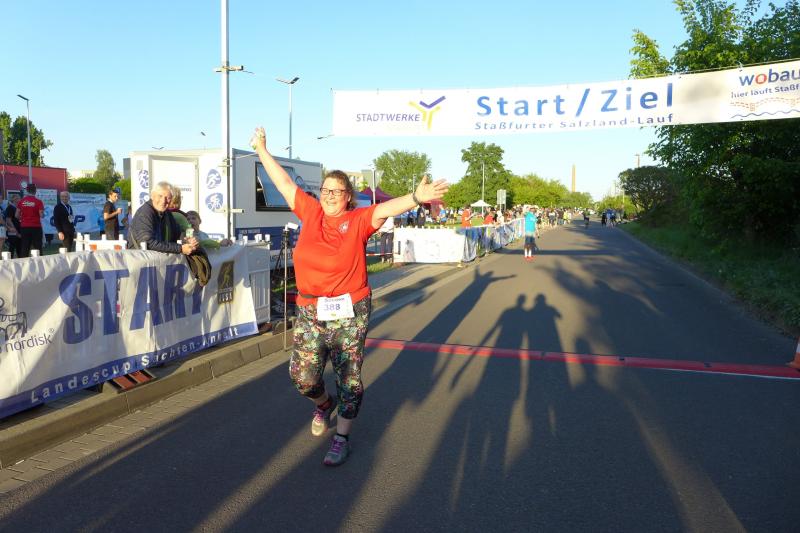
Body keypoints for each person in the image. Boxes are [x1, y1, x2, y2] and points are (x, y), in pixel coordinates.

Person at [251, 126, 447, 466]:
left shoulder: (358, 220)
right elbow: (283, 183)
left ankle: (341, 437)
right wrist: (262, 151)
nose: (329, 195)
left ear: (348, 197)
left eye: (337, 191)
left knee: (348, 376)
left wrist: (416, 198)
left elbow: (387, 209)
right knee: (302, 376)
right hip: (310, 310)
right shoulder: (310, 212)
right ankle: (323, 404)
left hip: (350, 310)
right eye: (326, 189)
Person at [127, 181, 199, 255]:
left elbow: (177, 233)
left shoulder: (166, 213)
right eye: (160, 196)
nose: (163, 201)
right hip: (139, 259)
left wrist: (188, 241)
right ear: (152, 196)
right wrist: (180, 248)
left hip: (155, 259)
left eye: (168, 198)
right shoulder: (145, 213)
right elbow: (148, 243)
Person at [17, 184, 44, 258]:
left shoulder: (21, 201)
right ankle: (39, 262)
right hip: (36, 227)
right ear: (35, 191)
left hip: (24, 227)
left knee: (25, 247)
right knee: (38, 246)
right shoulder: (39, 202)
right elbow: (41, 215)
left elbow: (16, 215)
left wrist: (21, 219)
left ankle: (23, 263)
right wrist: (43, 214)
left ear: (27, 190)